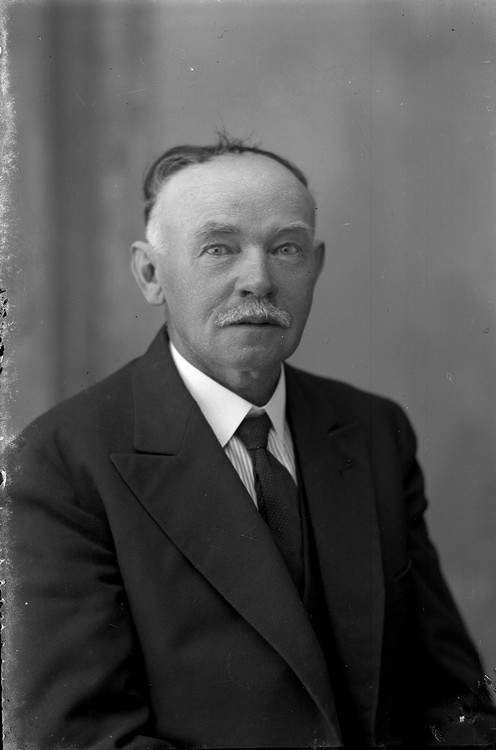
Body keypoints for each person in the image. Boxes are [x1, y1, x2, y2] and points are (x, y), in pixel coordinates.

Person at [4, 135, 496, 749]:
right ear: (151, 274)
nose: (258, 280)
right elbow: (80, 737)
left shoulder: (372, 430)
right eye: (219, 248)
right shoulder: (59, 462)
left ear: (316, 267)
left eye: (286, 248)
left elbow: (452, 699)